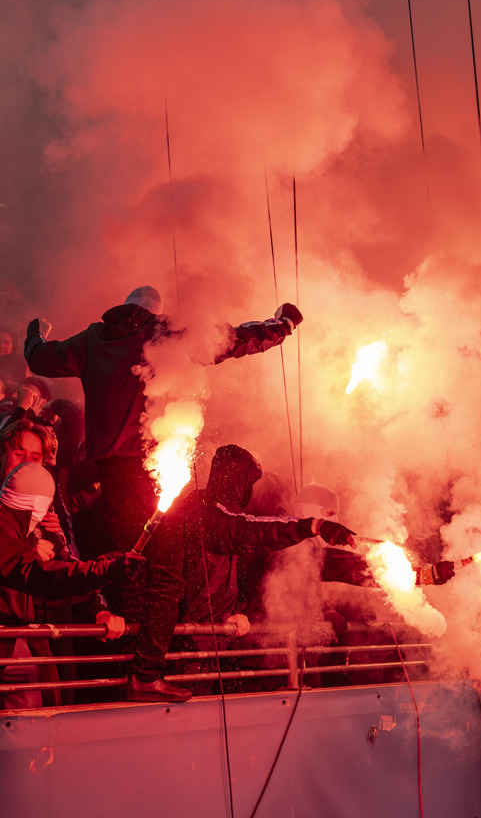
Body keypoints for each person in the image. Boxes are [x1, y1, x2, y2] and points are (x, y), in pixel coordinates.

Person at [24, 286, 303, 554]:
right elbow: (232, 340)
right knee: (160, 547)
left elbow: (40, 359)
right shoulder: (165, 331)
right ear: (156, 312)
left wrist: (36, 333)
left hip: (109, 462)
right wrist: (282, 325)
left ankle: (124, 588)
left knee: (126, 544)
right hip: (154, 459)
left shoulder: (93, 338)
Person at [124, 444, 354, 702]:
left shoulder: (213, 513)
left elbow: (233, 571)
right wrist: (312, 526)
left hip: (212, 646)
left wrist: (238, 609)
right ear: (234, 479)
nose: (250, 490)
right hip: (187, 651)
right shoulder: (206, 514)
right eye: (247, 480)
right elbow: (252, 531)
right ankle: (145, 676)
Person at [0, 463, 144, 708]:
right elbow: (40, 576)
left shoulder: (20, 531)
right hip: (10, 641)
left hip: (21, 638)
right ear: (36, 505)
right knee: (34, 721)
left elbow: (57, 576)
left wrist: (105, 568)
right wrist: (106, 569)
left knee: (48, 705)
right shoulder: (7, 532)